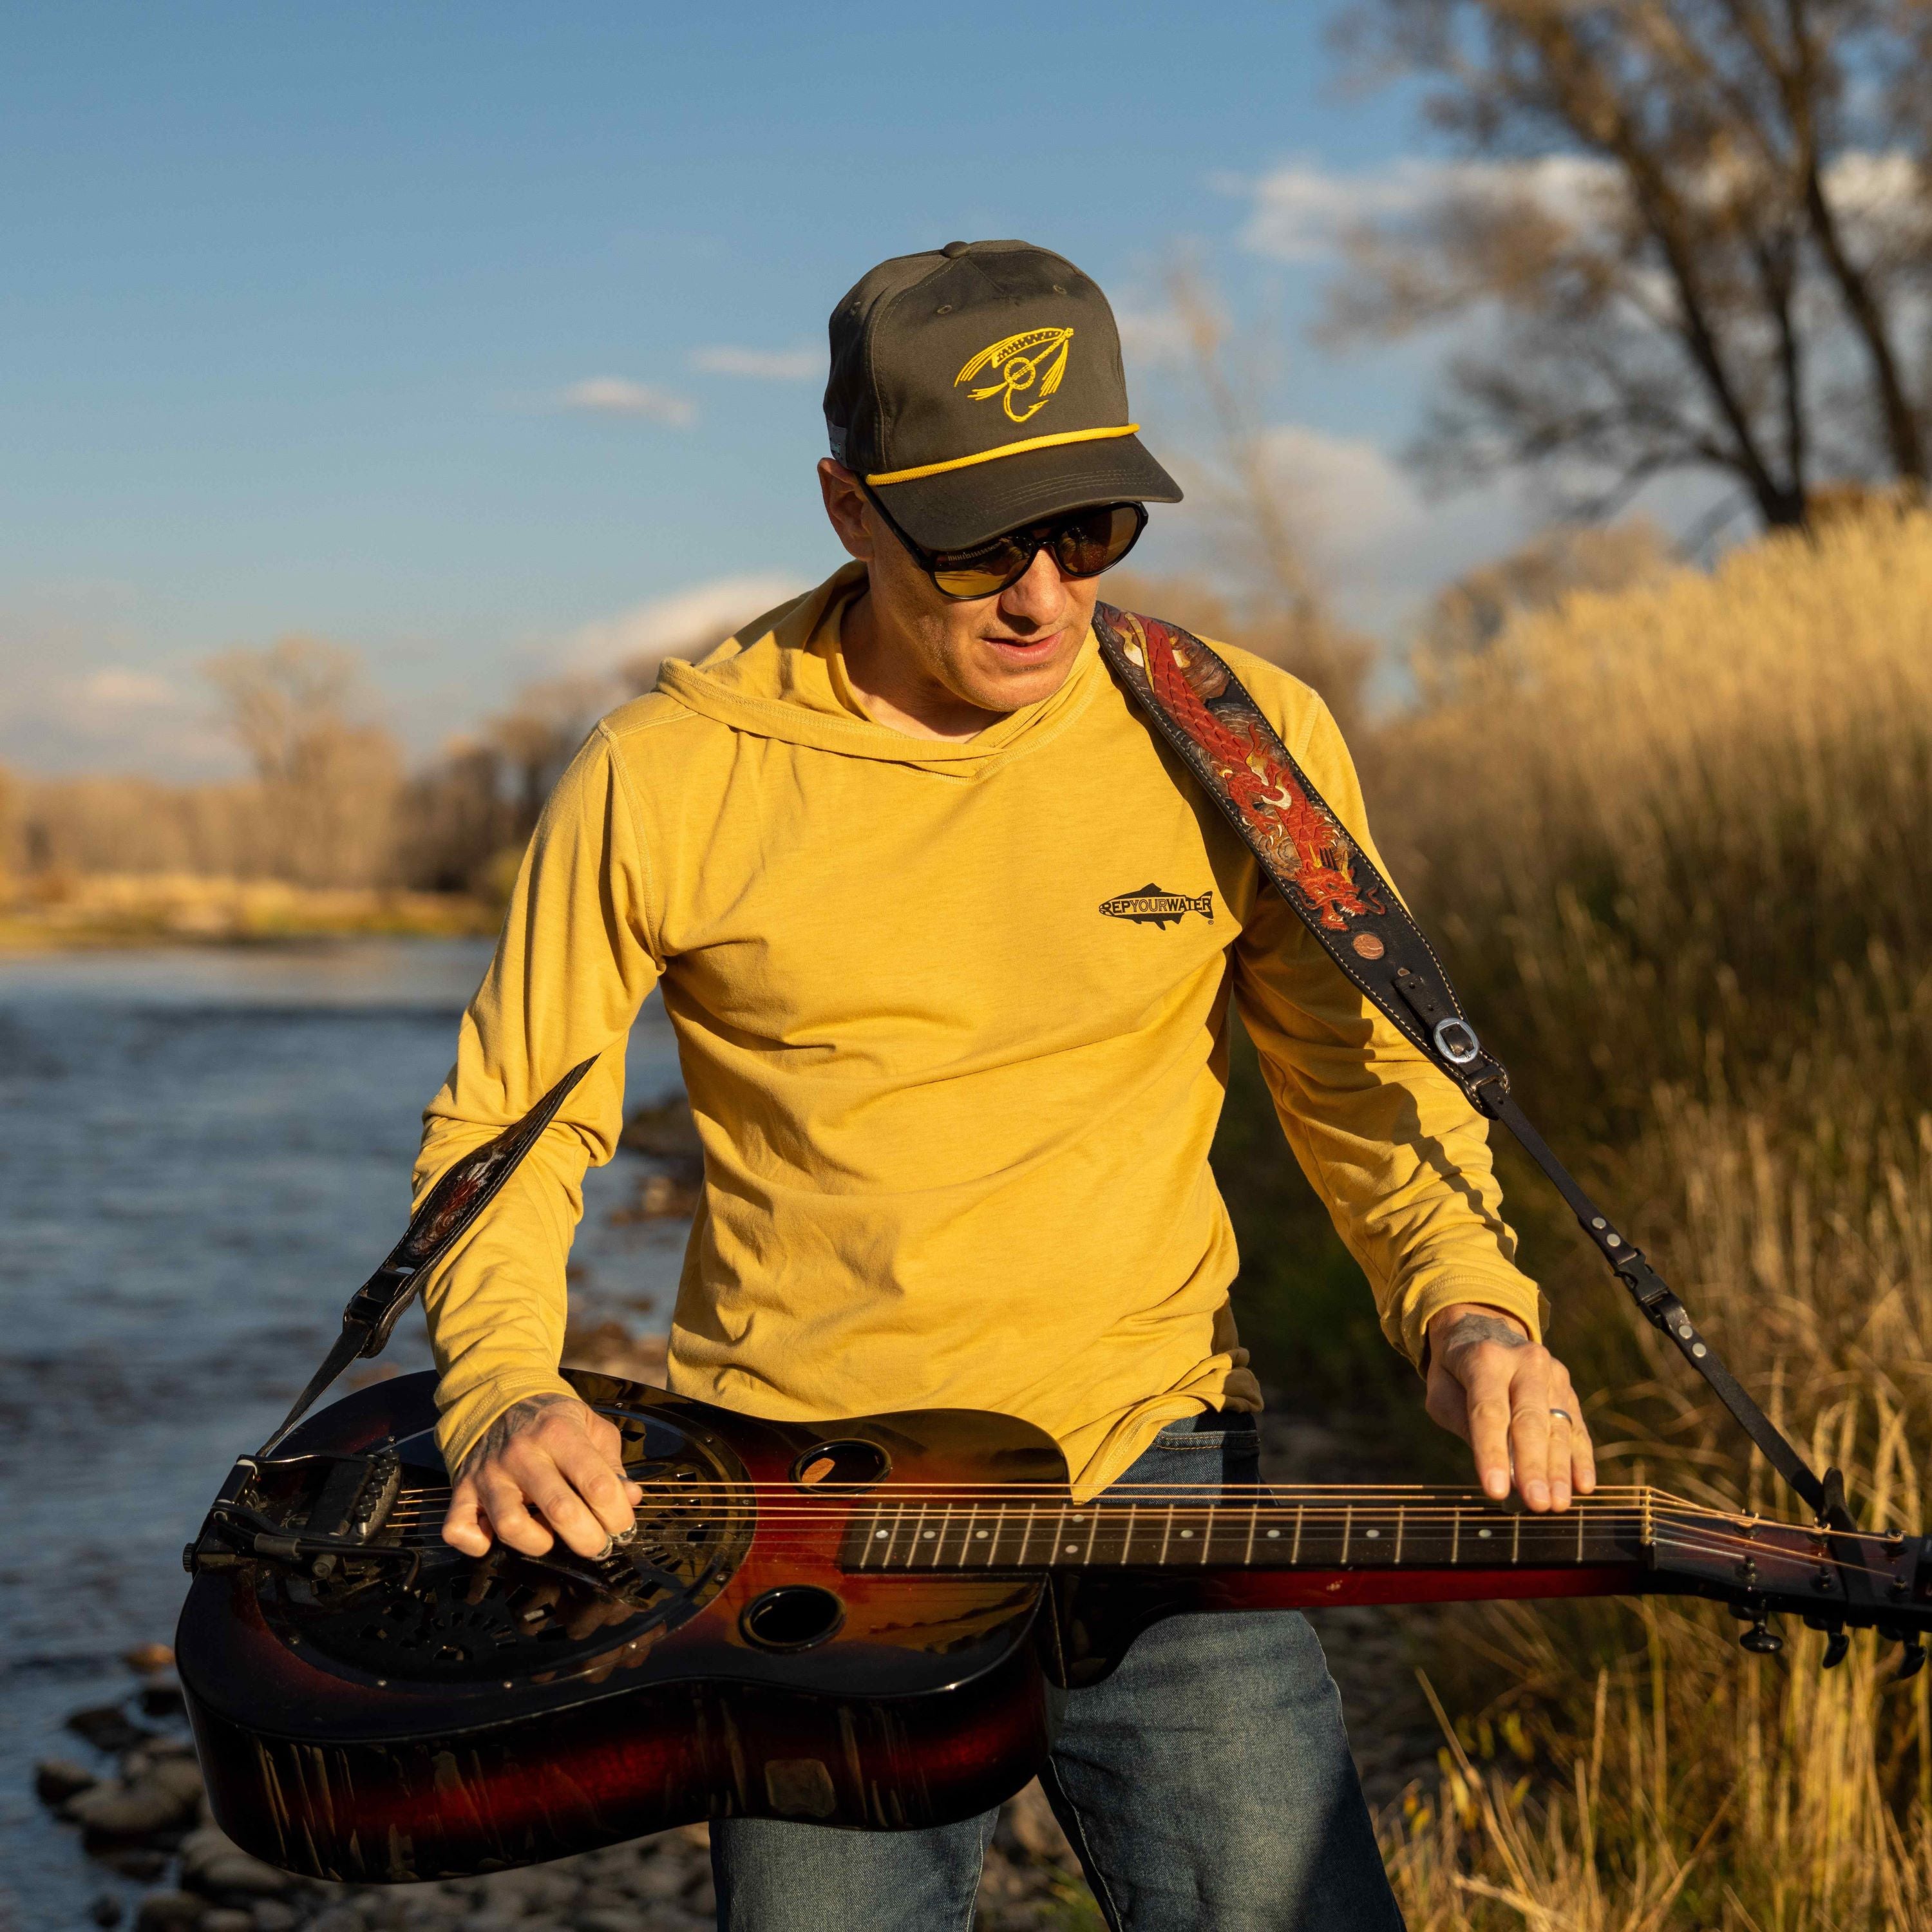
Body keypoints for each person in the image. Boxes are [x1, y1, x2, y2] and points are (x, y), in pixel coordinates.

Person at [415, 238, 1595, 1931]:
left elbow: (1365, 1089)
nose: (1042, 594)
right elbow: (512, 1131)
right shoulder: (671, 776)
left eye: (1090, 528)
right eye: (975, 543)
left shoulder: (1241, 744)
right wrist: (505, 1390)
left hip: (1163, 1472)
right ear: (847, 507)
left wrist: (1471, 1308)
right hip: (804, 1530)